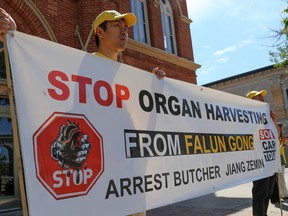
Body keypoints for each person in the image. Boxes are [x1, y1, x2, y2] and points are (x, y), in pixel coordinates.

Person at [1, 8, 164, 216]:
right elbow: (42, 68)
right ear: (100, 32)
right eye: (117, 26)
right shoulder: (83, 66)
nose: (124, 32)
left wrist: (154, 85)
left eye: (126, 28)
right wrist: (17, 38)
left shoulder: (128, 76)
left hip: (130, 182)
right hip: (101, 183)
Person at [245, 89, 280, 216]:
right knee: (260, 193)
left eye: (262, 98)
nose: (262, 99)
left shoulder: (268, 117)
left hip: (270, 161)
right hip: (258, 161)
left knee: (268, 193)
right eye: (258, 97)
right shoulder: (247, 116)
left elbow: (277, 135)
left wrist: (274, 120)